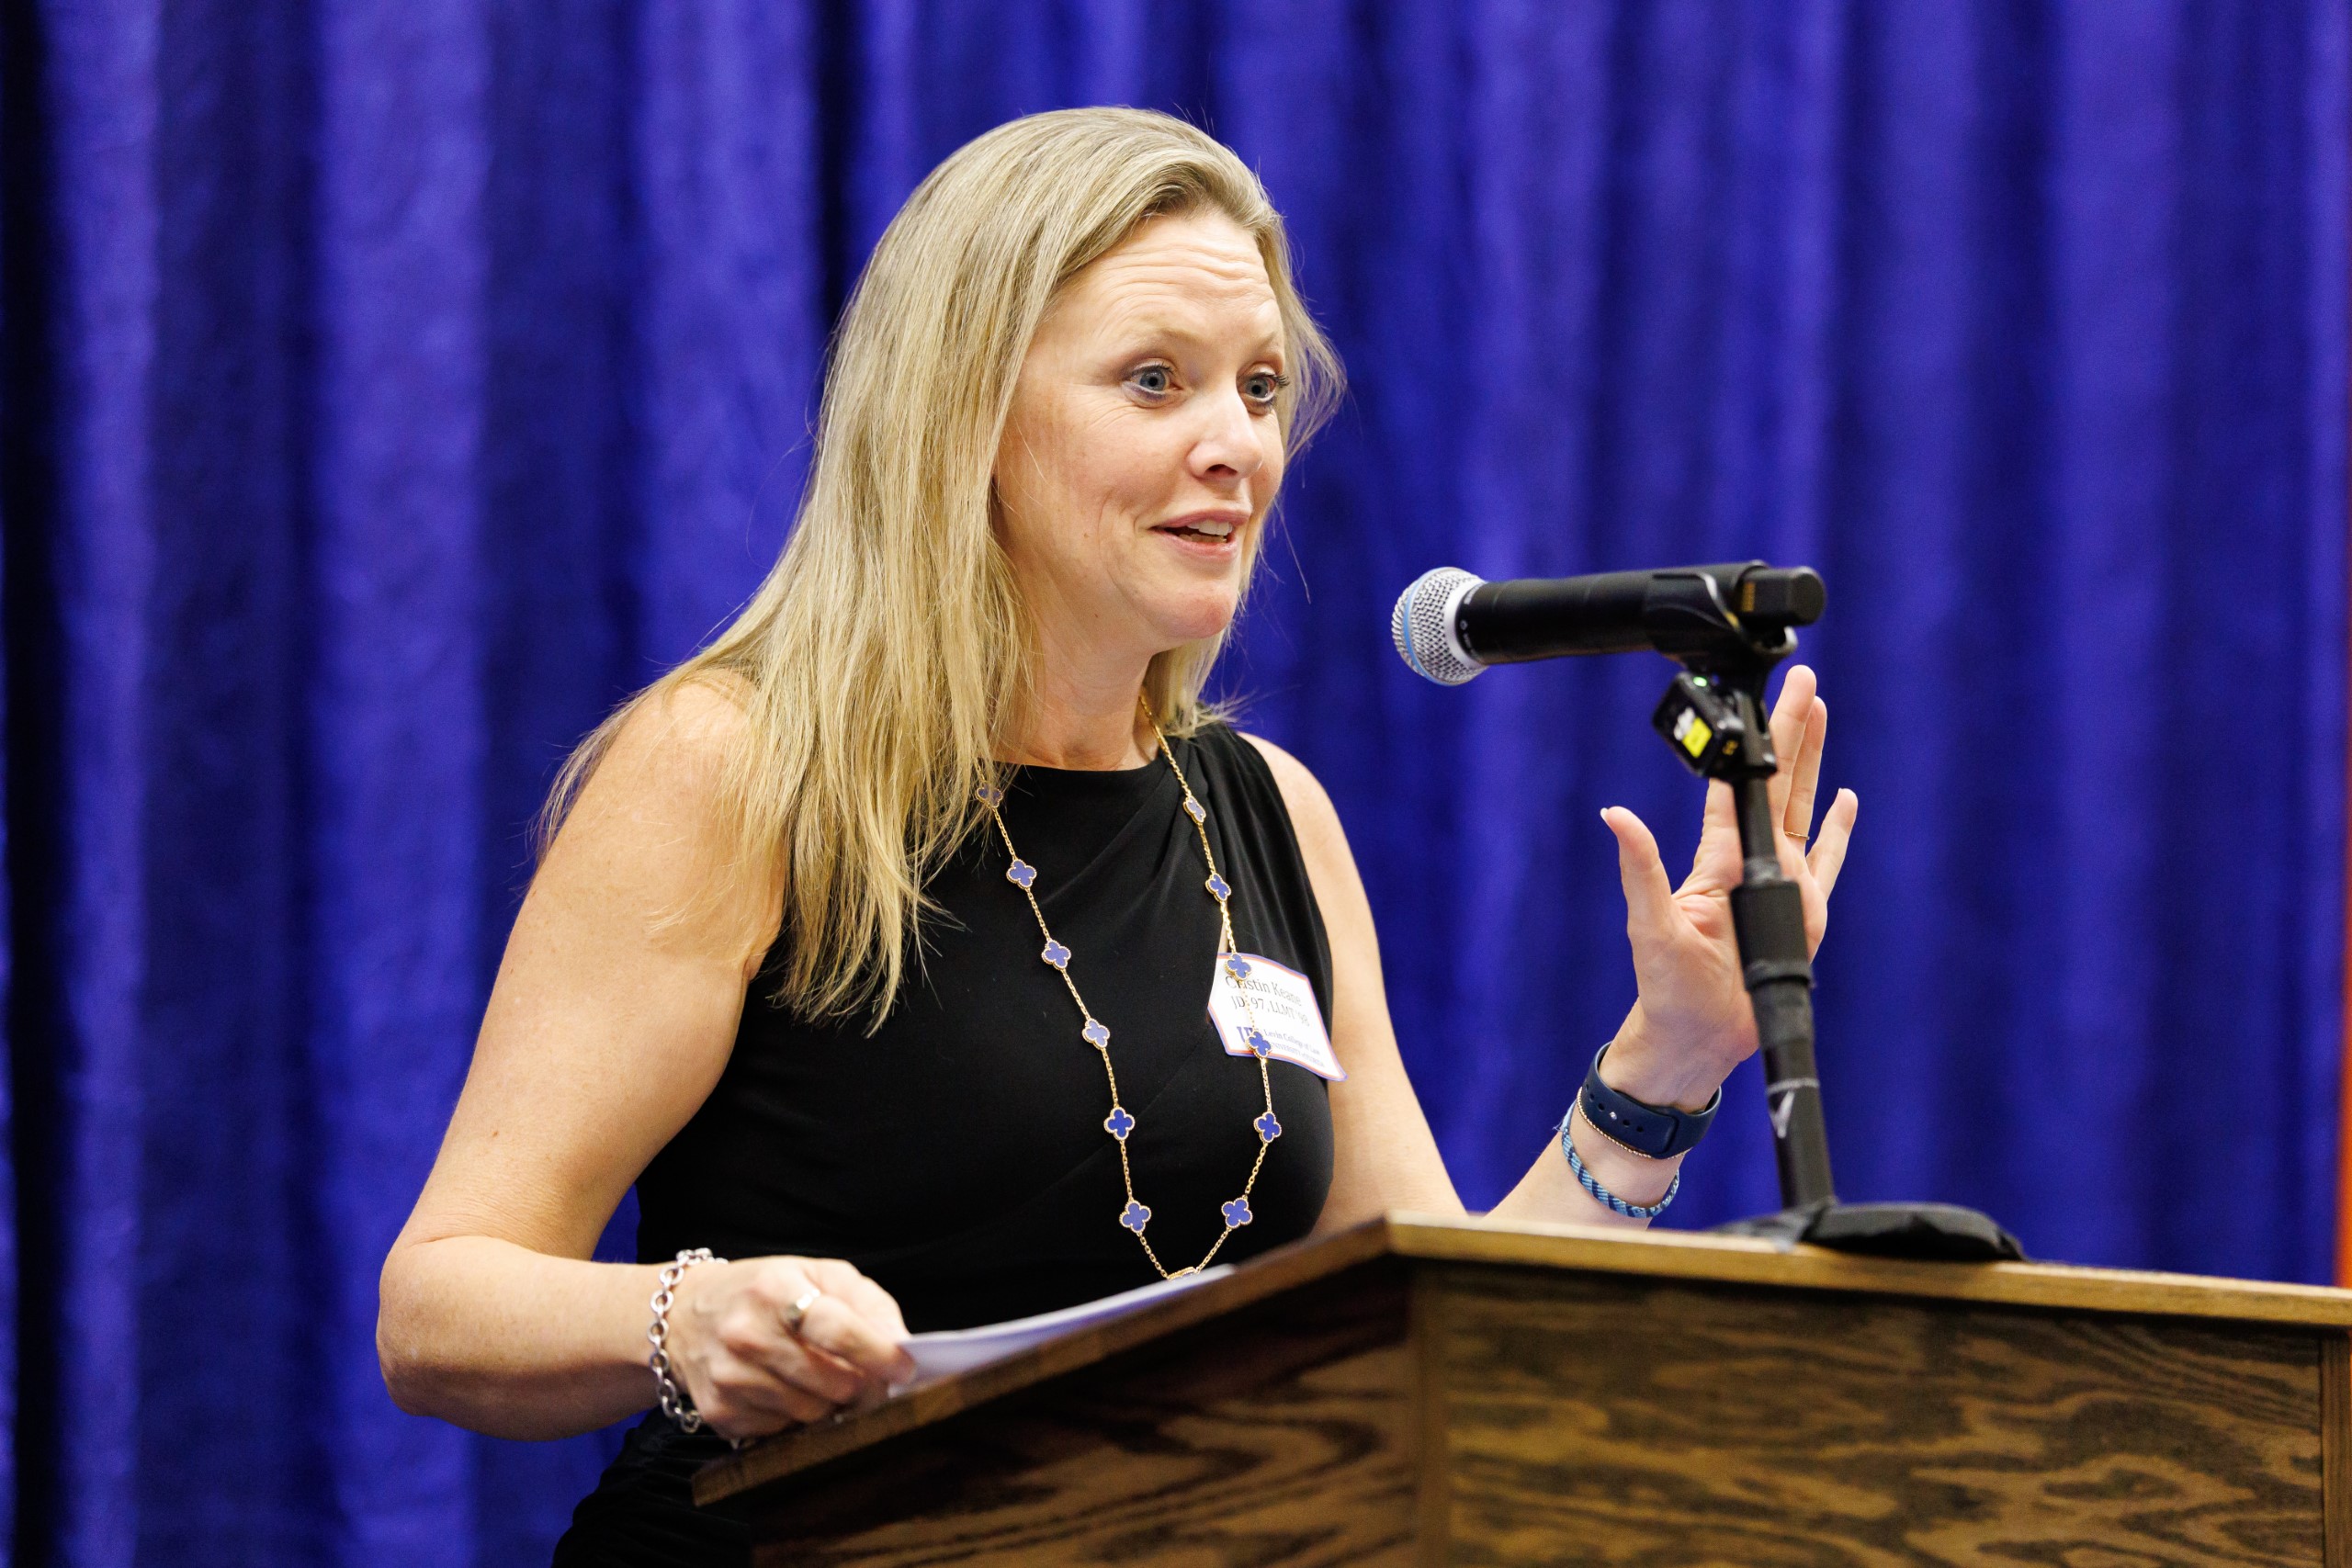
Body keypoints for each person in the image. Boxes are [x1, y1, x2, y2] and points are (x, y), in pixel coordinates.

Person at [377, 107, 1859, 1563]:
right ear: (965, 414)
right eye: (1156, 382)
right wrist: (685, 1317)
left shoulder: (1272, 815)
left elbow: (1439, 1345)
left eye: (1262, 388)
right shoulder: (740, 770)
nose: (1238, 446)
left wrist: (1667, 1059)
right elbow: (439, 1310)